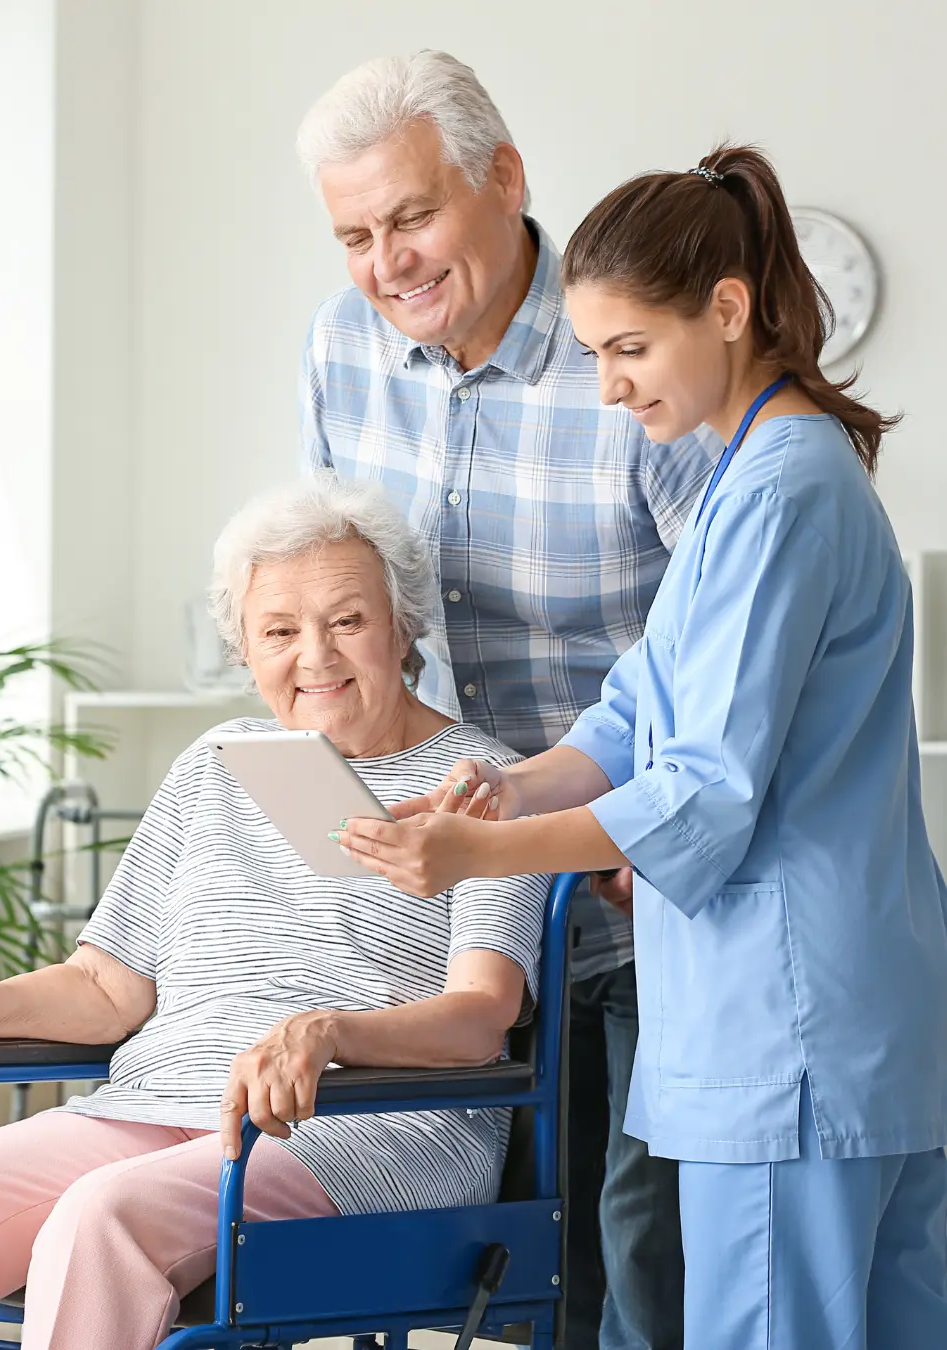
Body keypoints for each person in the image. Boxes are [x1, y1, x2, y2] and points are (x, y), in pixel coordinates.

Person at [335, 144, 947, 1350]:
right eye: (594, 354)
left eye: (627, 351)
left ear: (726, 311)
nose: (609, 390)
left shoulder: (780, 491)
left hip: (790, 1034)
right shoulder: (748, 477)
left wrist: (481, 857)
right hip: (855, 1028)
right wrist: (504, 792)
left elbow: (703, 790)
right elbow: (632, 715)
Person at [0, 474, 550, 1350]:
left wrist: (331, 1032)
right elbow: (108, 988)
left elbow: (481, 1019)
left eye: (347, 621)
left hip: (365, 1123)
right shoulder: (217, 766)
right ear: (244, 649)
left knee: (100, 1218)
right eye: (278, 631)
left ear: (403, 625)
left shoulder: (487, 787)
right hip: (159, 1105)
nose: (316, 657)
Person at [297, 50, 719, 1349]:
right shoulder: (342, 347)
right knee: (503, 1286)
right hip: (458, 923)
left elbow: (729, 642)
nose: (389, 264)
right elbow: (344, 608)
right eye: (357, 234)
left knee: (644, 1281)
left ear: (508, 178)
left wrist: (642, 832)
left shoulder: (635, 356)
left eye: (413, 216)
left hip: (638, 901)